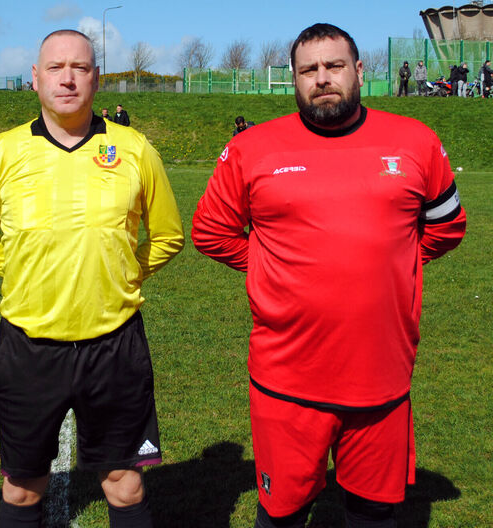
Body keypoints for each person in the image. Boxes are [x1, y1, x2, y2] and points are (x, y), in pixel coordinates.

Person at [191, 23, 465, 528]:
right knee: (283, 514)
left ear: (359, 71)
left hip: (381, 379)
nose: (322, 78)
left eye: (334, 66)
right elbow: (210, 231)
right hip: (286, 379)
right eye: (308, 70)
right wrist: (278, 266)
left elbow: (447, 228)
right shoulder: (254, 147)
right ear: (292, 80)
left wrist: (390, 261)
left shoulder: (416, 140)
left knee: (375, 513)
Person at [0, 29, 184, 528]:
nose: (68, 78)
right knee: (21, 489)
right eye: (56, 68)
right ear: (36, 79)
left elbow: (169, 234)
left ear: (97, 79)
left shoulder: (133, 148)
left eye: (80, 68)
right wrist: (27, 271)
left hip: (115, 344)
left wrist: (123, 272)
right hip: (28, 344)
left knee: (125, 485)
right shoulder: (2, 152)